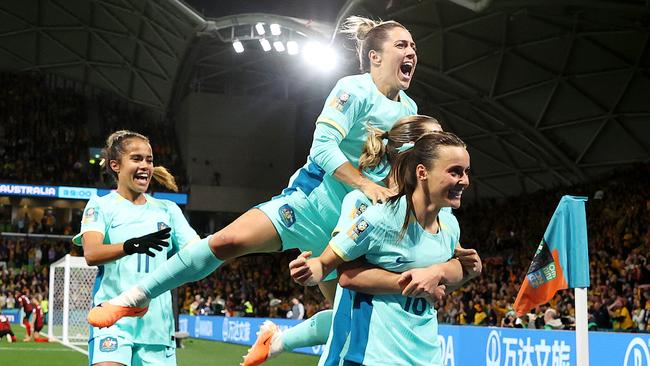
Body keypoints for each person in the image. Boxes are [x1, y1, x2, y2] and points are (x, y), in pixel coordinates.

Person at [87, 15, 419, 326]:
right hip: (307, 205)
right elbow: (321, 147)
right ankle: (135, 297)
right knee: (227, 240)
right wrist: (364, 184)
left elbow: (399, 174)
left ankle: (276, 340)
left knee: (344, 323)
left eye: (414, 46)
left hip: (349, 228)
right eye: (402, 45)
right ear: (375, 56)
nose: (411, 52)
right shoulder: (354, 89)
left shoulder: (410, 110)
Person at [243, 116, 481, 365]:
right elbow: (344, 271)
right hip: (360, 336)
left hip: (411, 338)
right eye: (432, 139)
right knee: (339, 319)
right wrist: (318, 267)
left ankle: (279, 340)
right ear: (415, 156)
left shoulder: (444, 215)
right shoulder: (366, 204)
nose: (438, 143)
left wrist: (447, 271)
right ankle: (279, 341)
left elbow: (448, 271)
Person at [74, 130, 200, 366]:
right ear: (115, 166)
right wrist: (131, 246)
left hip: (157, 327)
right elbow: (91, 254)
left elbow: (195, 252)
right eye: (136, 158)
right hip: (112, 319)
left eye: (149, 160)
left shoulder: (168, 210)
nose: (145, 165)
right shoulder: (101, 205)